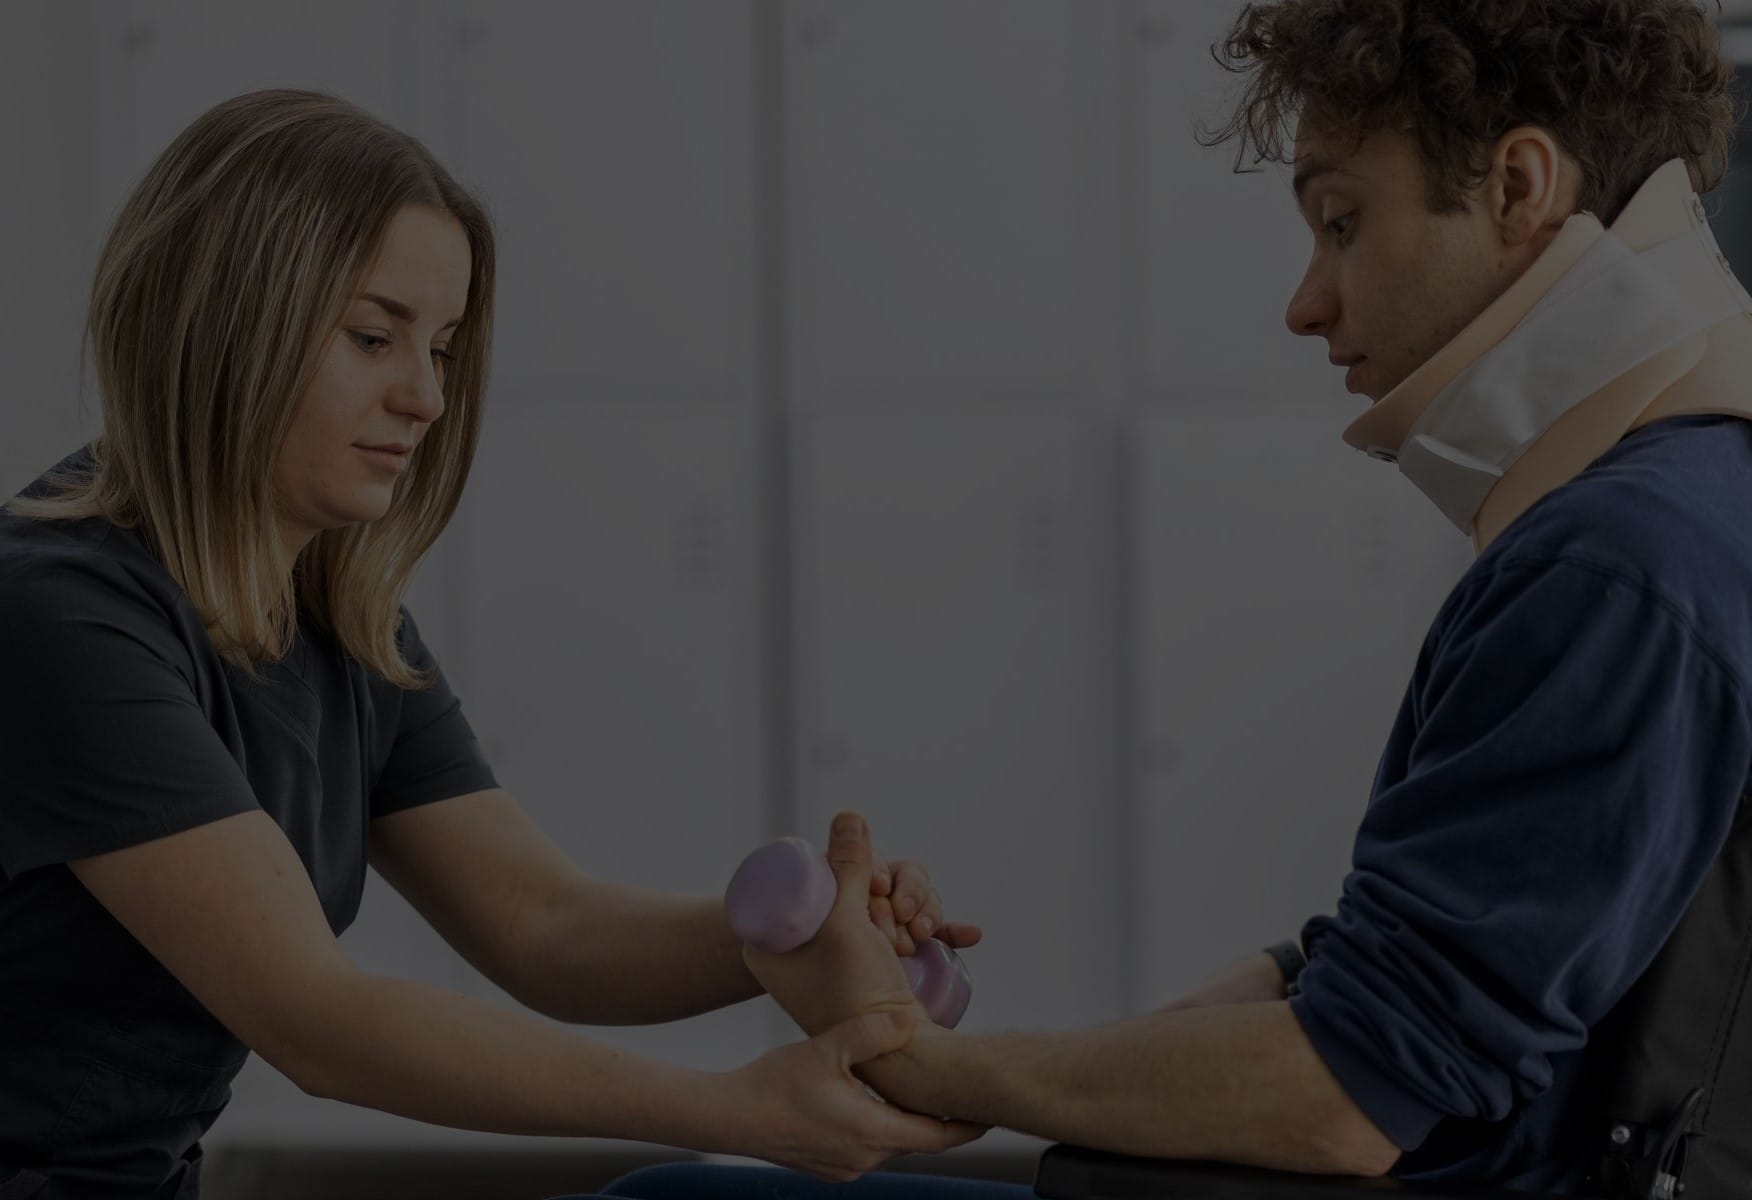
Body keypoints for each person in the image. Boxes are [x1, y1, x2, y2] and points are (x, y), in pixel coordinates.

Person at [595, 2, 1752, 1198]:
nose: (1307, 304)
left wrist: (920, 1064)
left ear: (1519, 186)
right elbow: (1479, 949)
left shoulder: (1610, 568)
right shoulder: (1698, 504)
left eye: (1342, 224)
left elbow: (1345, 1099)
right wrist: (1253, 997)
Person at [0, 88, 985, 1200]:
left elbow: (541, 926)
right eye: (375, 337)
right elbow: (318, 1020)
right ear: (223, 323)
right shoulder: (58, 620)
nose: (426, 397)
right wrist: (732, 1110)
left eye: (445, 347)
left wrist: (779, 938)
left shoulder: (339, 618)